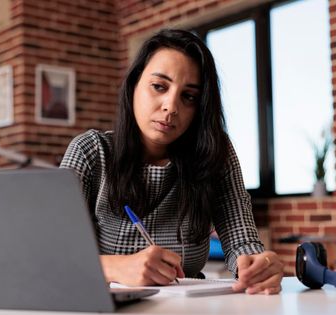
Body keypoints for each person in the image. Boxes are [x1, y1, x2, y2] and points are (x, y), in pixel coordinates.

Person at [60, 29, 283, 294]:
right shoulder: (90, 151)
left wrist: (258, 265)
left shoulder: (214, 152)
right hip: (105, 310)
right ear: (133, 86)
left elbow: (242, 241)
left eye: (188, 96)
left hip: (188, 311)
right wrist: (116, 267)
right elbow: (48, 250)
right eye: (159, 87)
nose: (171, 107)